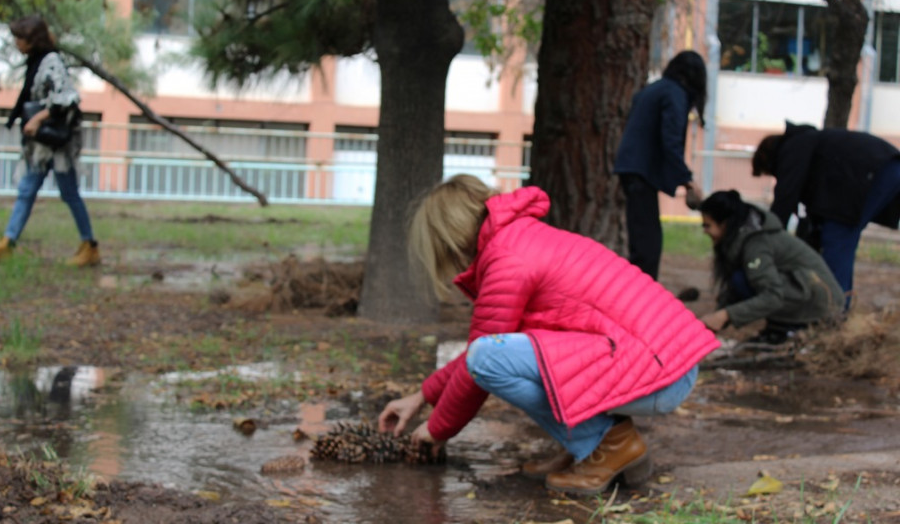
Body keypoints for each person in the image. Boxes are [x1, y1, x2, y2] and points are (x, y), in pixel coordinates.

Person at [377, 175, 719, 495]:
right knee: (504, 355)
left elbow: (480, 360)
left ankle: (607, 445)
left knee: (489, 359)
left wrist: (438, 429)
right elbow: (488, 348)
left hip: (661, 374)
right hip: (665, 364)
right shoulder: (518, 238)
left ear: (448, 235)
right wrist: (422, 396)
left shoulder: (507, 258)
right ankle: (587, 446)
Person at [0, 16, 100, 266]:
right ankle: (8, 242)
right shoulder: (35, 62)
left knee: (69, 193)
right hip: (40, 147)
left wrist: (38, 118)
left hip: (57, 145)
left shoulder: (51, 61)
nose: (16, 43)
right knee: (26, 191)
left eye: (20, 38)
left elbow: (68, 98)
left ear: (32, 39)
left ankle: (90, 245)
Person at [752, 121, 900, 306]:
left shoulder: (792, 147)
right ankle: (838, 305)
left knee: (837, 239)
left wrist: (767, 237)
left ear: (768, 158)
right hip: (885, 167)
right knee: (839, 238)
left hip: (874, 172)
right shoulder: (807, 143)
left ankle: (834, 310)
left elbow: (786, 195)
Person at [698, 190, 844, 344]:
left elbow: (773, 296)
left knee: (742, 280)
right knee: (741, 280)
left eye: (707, 225)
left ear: (725, 223)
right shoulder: (746, 236)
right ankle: (781, 327)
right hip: (808, 292)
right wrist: (717, 316)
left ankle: (788, 328)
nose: (705, 231)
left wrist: (725, 315)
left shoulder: (756, 245)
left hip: (821, 304)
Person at [613, 50, 707, 280]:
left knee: (644, 241)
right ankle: (641, 301)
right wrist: (686, 180)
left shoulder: (656, 89)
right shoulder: (674, 94)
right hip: (640, 172)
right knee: (648, 247)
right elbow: (671, 140)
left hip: (632, 169)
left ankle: (639, 297)